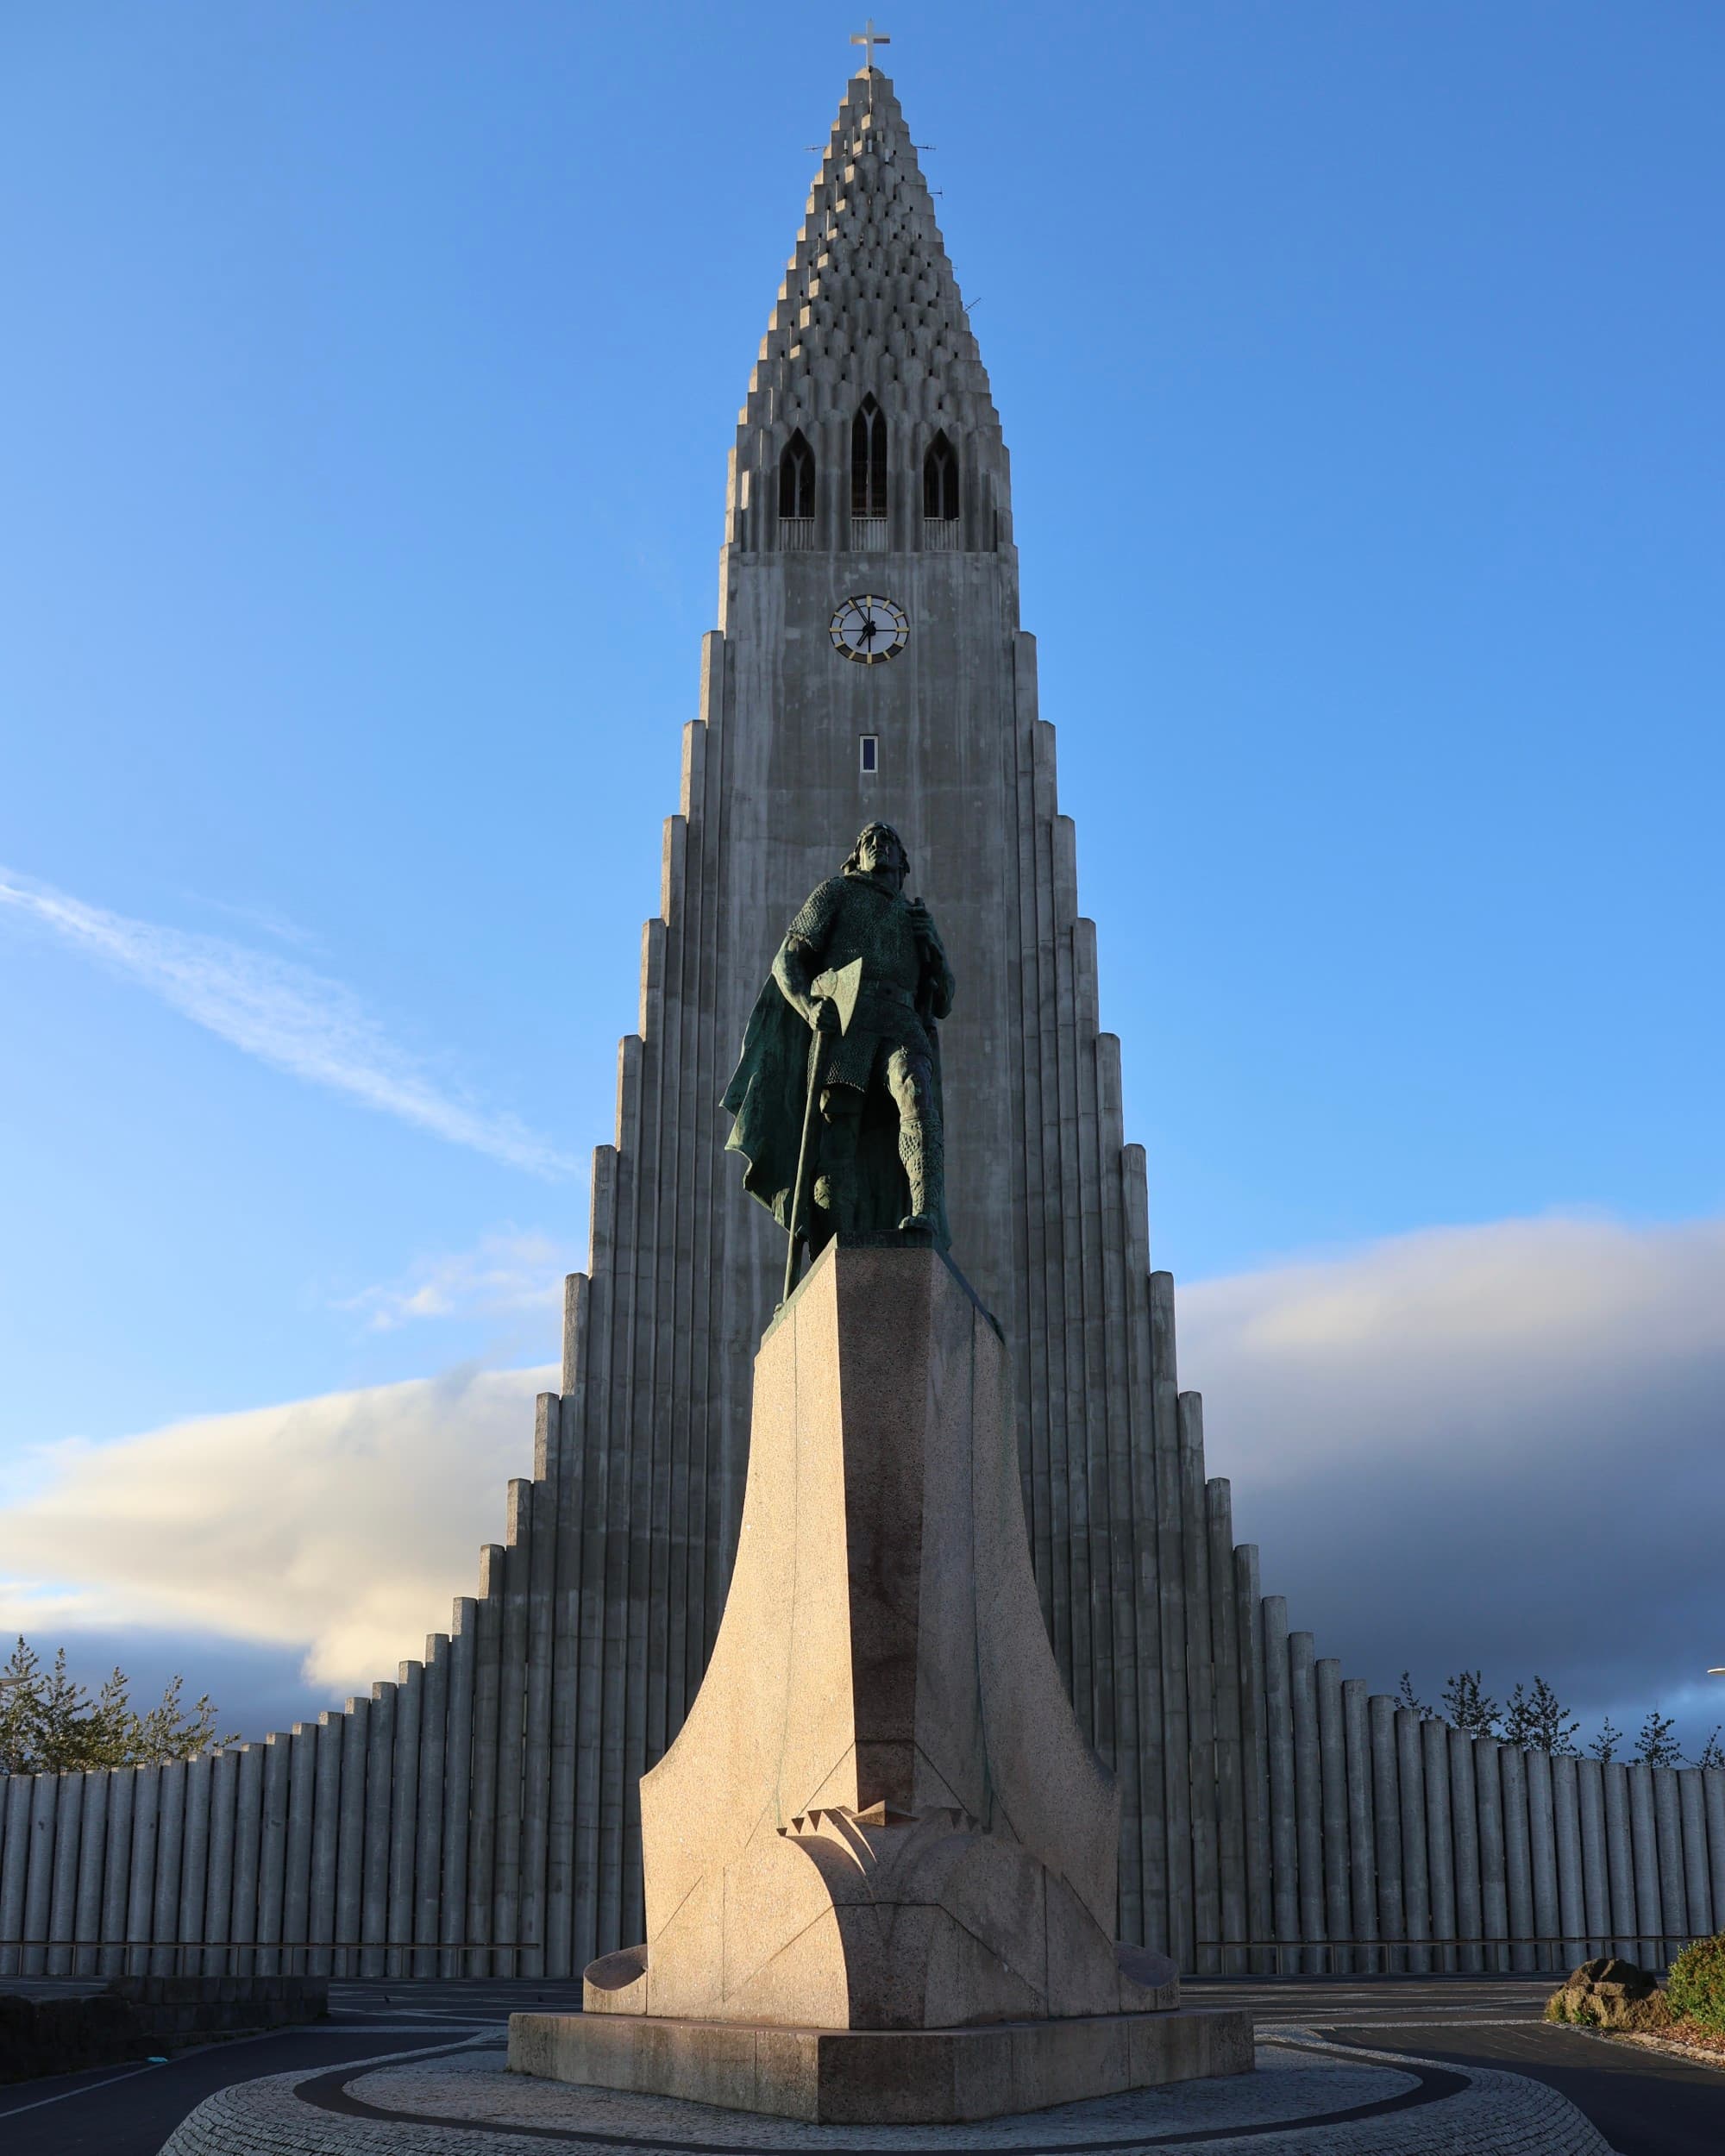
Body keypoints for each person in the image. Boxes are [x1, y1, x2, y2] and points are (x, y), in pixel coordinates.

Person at [723, 823, 955, 1260]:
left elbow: (943, 1000)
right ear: (857, 855)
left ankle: (925, 1212)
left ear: (902, 861)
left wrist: (936, 951)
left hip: (901, 1021)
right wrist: (808, 1006)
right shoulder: (836, 892)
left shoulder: (916, 917)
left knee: (916, 1092)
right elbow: (786, 959)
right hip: (849, 1021)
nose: (878, 845)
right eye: (869, 841)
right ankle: (833, 1247)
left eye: (888, 841)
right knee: (839, 1131)